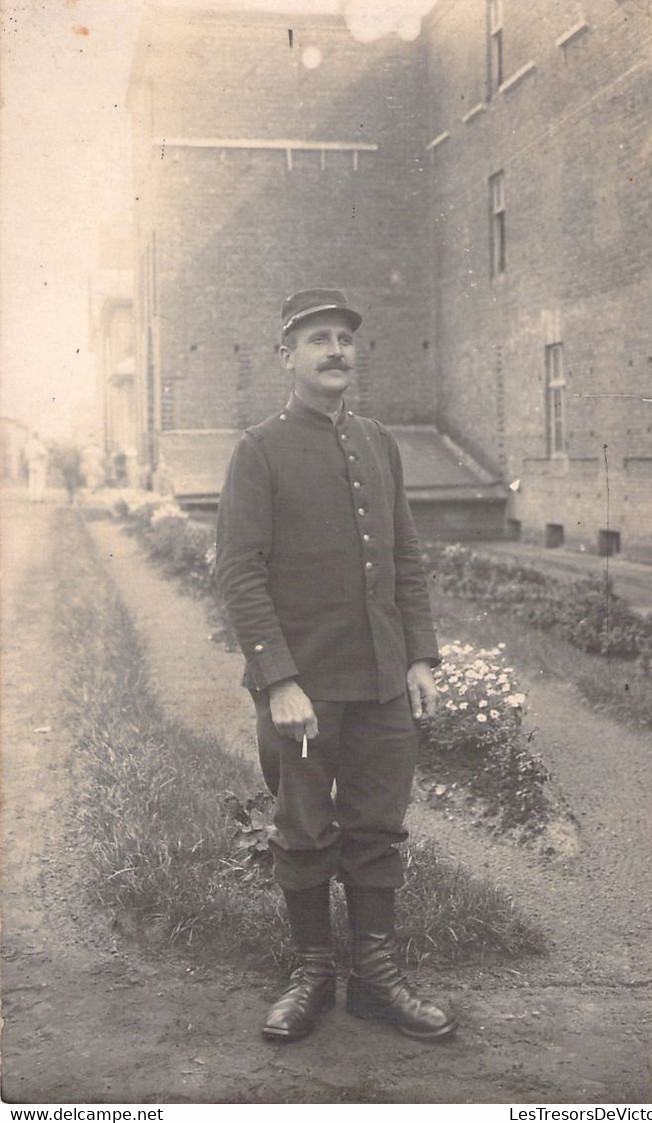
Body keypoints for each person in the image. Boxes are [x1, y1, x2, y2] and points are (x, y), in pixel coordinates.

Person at [216, 289, 457, 1044]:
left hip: (384, 680)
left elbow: (405, 558)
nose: (335, 351)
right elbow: (238, 573)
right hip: (305, 692)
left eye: (344, 340)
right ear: (287, 355)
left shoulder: (378, 441)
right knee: (304, 827)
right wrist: (280, 679)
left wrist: (419, 655)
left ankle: (375, 978)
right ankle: (312, 970)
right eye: (317, 339)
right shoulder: (259, 449)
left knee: (378, 826)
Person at [24, 433, 48, 503]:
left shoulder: (28, 445)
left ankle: (32, 498)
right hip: (38, 463)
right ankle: (39, 498)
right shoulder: (38, 444)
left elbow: (26, 456)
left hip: (31, 463)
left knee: (32, 481)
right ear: (37, 436)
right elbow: (44, 453)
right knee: (40, 482)